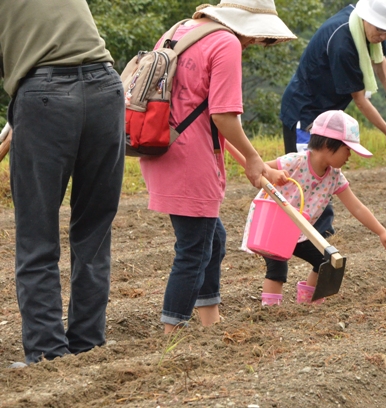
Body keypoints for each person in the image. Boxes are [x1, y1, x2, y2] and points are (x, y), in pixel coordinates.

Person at [139, 0, 296, 334]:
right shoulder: (226, 42)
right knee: (194, 249)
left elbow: (193, 108)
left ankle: (210, 320)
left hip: (159, 148)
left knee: (213, 240)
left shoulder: (181, 30)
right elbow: (223, 115)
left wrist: (256, 164)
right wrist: (254, 159)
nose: (256, 43)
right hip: (190, 161)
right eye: (259, 37)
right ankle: (172, 333)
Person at [0, 1, 125, 365]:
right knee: (93, 232)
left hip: (44, 97)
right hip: (106, 87)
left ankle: (47, 354)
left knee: (37, 236)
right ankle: (87, 345)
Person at [241, 110, 386, 305]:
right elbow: (256, 170)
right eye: (347, 149)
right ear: (329, 145)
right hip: (273, 225)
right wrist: (271, 174)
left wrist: (382, 232)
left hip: (300, 230)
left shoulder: (335, 176)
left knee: (326, 261)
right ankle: (270, 312)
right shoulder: (294, 161)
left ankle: (309, 305)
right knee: (277, 269)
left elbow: (357, 207)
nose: (349, 155)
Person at [280, 0, 386, 239]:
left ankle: (322, 242)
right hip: (306, 113)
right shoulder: (344, 43)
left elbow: (379, 59)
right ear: (367, 17)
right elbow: (360, 100)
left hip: (328, 117)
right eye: (380, 29)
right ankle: (305, 244)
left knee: (325, 177)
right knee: (308, 179)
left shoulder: (367, 30)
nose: (383, 36)